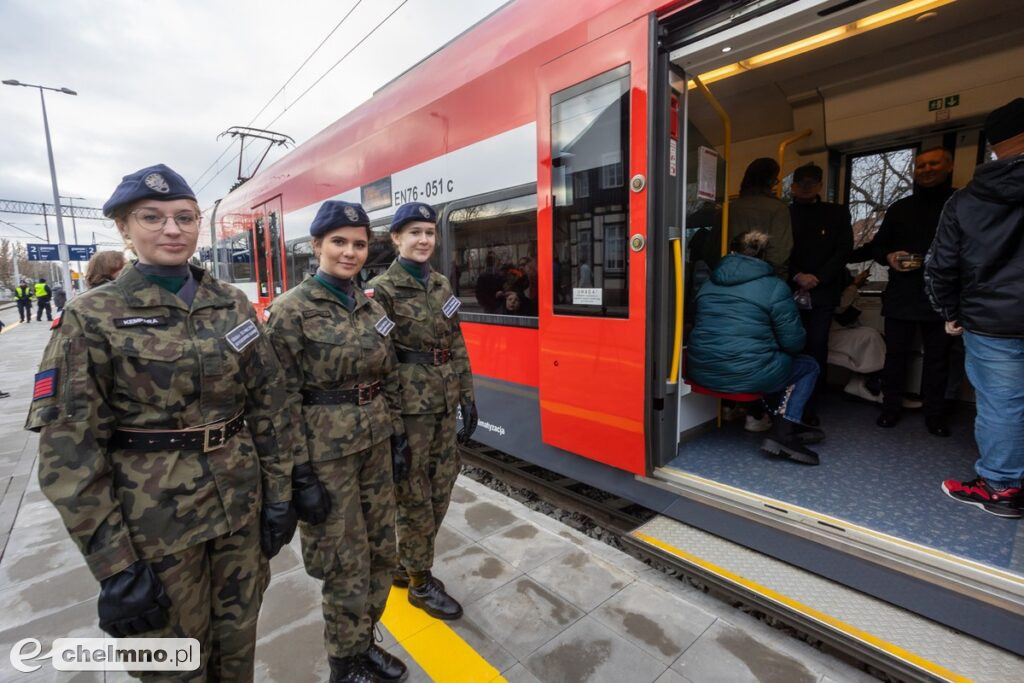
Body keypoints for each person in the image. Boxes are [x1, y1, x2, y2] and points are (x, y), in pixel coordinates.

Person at [25, 164, 299, 680]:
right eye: (152, 217)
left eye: (184, 217)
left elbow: (270, 404)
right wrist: (115, 565)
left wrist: (280, 494)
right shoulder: (92, 317)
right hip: (154, 530)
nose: (172, 229)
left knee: (238, 648)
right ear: (124, 229)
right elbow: (69, 452)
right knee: (174, 665)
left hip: (239, 508)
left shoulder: (231, 304)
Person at [266, 200, 409, 683]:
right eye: (339, 242)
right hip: (325, 456)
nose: (350, 252)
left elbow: (389, 375)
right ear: (317, 246)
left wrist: (397, 435)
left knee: (381, 551)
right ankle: (344, 662)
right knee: (343, 560)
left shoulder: (371, 306)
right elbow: (279, 400)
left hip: (375, 444)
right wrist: (298, 473)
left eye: (359, 244)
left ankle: (364, 642)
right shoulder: (291, 310)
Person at [369, 202, 478, 620]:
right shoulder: (382, 291)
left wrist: (467, 394)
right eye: (414, 232)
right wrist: (393, 423)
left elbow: (456, 341)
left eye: (429, 232)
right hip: (410, 410)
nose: (423, 240)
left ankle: (405, 562)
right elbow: (381, 361)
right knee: (414, 494)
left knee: (443, 482)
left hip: (442, 402)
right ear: (396, 238)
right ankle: (419, 581)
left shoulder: (440, 284)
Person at [926, 98, 1024, 518]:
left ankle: (1001, 487)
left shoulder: (965, 201)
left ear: (994, 145)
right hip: (993, 316)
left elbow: (941, 266)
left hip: (991, 319)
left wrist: (951, 312)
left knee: (1002, 403)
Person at [687, 231, 822, 465]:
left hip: (702, 370)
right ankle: (784, 431)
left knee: (762, 360)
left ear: (732, 252)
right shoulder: (775, 287)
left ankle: (762, 414)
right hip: (748, 375)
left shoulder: (708, 283)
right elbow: (794, 343)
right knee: (808, 366)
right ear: (764, 255)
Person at [871, 147, 956, 436]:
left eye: (934, 163)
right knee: (895, 355)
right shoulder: (900, 208)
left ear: (949, 167)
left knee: (938, 359)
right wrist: (889, 256)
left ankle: (935, 414)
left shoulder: (960, 203)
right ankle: (890, 407)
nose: (927, 169)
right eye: (921, 165)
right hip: (902, 293)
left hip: (943, 295)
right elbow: (878, 247)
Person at [788, 164, 853, 422]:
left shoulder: (836, 213)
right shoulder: (784, 214)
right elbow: (778, 252)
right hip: (788, 290)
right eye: (801, 183)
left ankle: (810, 404)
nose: (805, 187)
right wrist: (797, 275)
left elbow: (844, 250)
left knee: (816, 346)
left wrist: (818, 278)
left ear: (820, 185)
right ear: (793, 186)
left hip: (823, 292)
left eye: (811, 183)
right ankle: (784, 400)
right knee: (789, 345)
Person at [729, 158, 793, 276]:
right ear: (769, 181)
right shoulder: (778, 208)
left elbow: (711, 249)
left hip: (730, 272)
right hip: (764, 276)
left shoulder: (729, 208)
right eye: (775, 180)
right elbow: (779, 253)